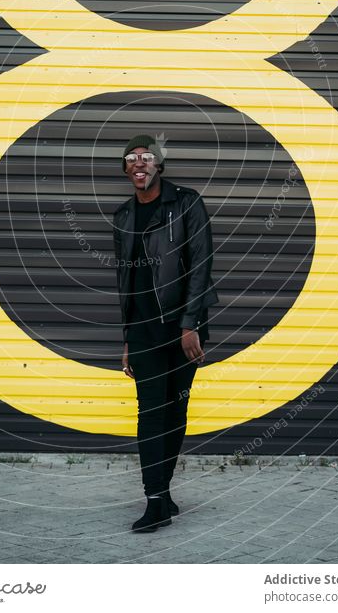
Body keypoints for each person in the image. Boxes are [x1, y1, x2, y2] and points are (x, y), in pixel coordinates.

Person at [112, 133, 219, 532]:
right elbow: (126, 280)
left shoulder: (186, 203)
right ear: (126, 169)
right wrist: (126, 337)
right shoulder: (123, 216)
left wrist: (190, 323)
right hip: (142, 329)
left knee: (175, 413)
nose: (138, 163)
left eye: (146, 157)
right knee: (150, 412)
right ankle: (154, 499)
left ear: (158, 165)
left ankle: (165, 492)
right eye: (131, 158)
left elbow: (201, 263)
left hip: (182, 328)